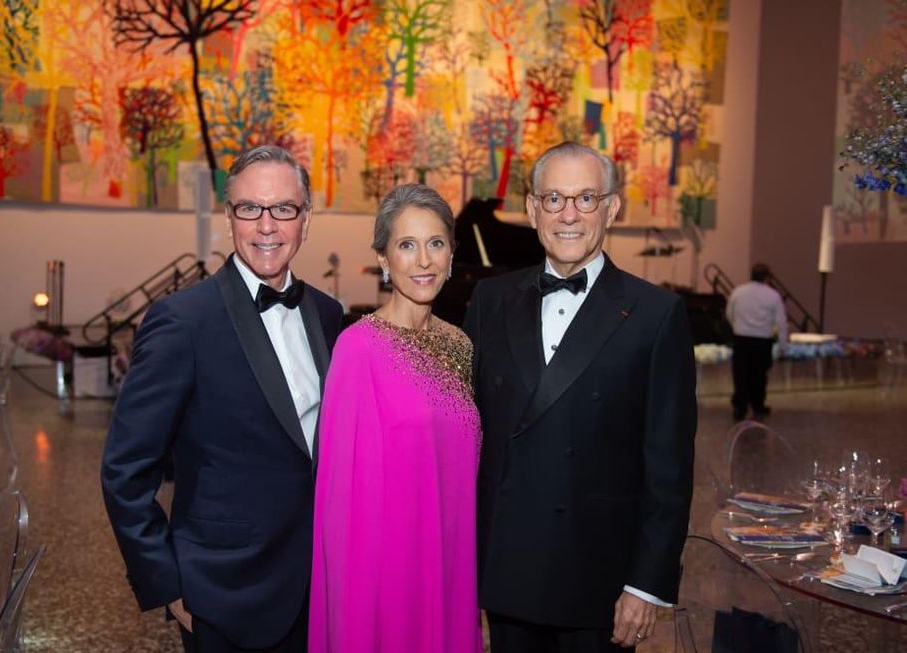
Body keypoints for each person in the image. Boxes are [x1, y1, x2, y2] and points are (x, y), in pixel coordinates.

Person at [101, 145, 343, 653]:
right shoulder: (182, 321)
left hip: (318, 584)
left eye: (283, 208)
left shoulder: (326, 313)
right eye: (249, 208)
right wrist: (166, 581)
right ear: (229, 216)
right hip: (224, 591)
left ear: (306, 218)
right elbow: (125, 469)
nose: (266, 226)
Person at [463, 142, 696, 652]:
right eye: (553, 199)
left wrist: (647, 583)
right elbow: (469, 435)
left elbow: (669, 467)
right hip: (508, 570)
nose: (568, 214)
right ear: (531, 209)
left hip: (601, 579)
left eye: (586, 199)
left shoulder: (656, 315)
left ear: (612, 208)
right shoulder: (490, 300)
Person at [309, 184, 482, 653]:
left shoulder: (461, 347)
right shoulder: (358, 348)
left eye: (435, 243)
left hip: (450, 566)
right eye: (407, 245)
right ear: (384, 259)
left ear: (451, 255)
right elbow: (341, 504)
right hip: (388, 579)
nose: (423, 260)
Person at [725, 263, 788, 420]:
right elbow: (781, 322)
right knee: (759, 375)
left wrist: (737, 327)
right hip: (762, 341)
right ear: (767, 277)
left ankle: (740, 407)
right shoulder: (773, 295)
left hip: (741, 339)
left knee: (740, 375)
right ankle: (758, 405)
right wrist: (783, 346)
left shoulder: (738, 292)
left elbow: (729, 314)